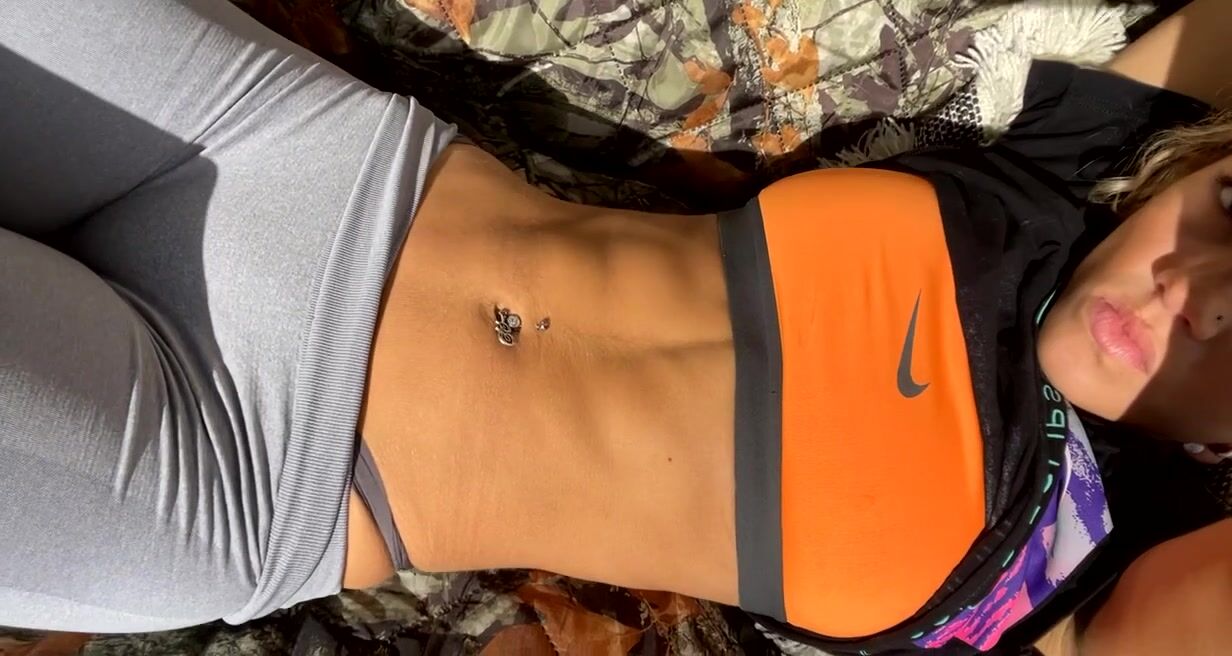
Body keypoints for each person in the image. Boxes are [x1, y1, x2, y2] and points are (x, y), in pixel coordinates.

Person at [0, 0, 1229, 652]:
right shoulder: (1067, 182)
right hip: (301, 154)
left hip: (243, 471)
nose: (1199, 287)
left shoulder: (1083, 574)